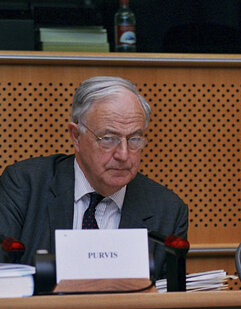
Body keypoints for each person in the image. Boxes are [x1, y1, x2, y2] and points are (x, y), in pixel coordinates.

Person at [0, 76, 188, 278]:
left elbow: (168, 301)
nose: (123, 155)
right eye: (108, 139)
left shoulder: (167, 210)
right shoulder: (24, 186)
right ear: (76, 136)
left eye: (134, 139)